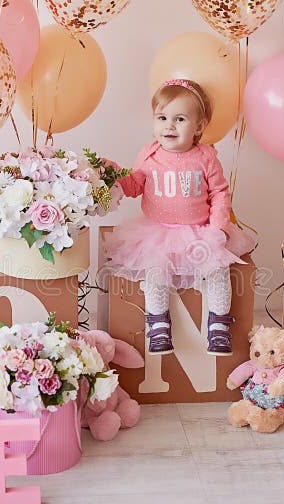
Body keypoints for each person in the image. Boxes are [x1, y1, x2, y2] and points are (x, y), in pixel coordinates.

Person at [104, 79, 255, 356]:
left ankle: (219, 325)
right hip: (158, 232)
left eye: (180, 119)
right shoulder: (149, 155)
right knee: (155, 271)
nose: (169, 125)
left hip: (200, 230)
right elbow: (136, 185)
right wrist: (114, 174)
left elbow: (220, 192)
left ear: (198, 126)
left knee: (218, 270)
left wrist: (218, 228)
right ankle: (158, 324)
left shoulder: (206, 157)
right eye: (162, 118)